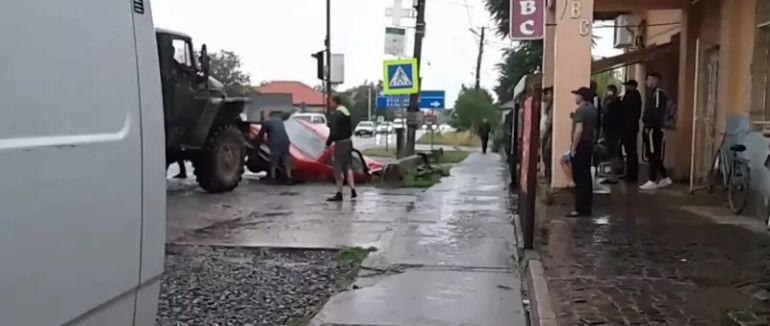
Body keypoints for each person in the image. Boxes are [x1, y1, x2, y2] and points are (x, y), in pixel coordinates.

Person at [567, 87, 598, 217]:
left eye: (577, 95)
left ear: (582, 97)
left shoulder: (580, 110)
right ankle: (587, 207)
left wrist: (573, 147)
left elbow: (579, 130)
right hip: (590, 143)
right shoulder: (593, 110)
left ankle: (579, 208)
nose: (575, 97)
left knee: (579, 177)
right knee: (586, 177)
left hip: (581, 144)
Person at [639, 72, 673, 190]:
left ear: (655, 80)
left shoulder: (658, 94)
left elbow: (657, 111)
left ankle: (652, 179)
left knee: (654, 154)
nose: (647, 82)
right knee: (653, 154)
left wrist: (650, 125)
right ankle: (664, 177)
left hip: (653, 129)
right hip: (650, 128)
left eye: (648, 79)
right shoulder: (653, 93)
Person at [326, 95, 357, 201]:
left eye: (330, 102)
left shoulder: (336, 115)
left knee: (337, 169)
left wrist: (328, 143)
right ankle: (353, 190)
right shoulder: (347, 113)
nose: (329, 105)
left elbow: (333, 132)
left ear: (335, 102)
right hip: (348, 142)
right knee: (347, 167)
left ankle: (339, 193)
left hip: (339, 143)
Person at [253, 112, 294, 184]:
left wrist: (256, 146)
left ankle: (272, 178)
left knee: (274, 161)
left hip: (275, 142)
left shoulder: (266, 122)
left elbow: (260, 136)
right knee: (286, 159)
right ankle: (289, 178)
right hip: (286, 141)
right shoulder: (279, 120)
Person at [620, 79, 643, 182]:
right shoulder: (628, 96)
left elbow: (632, 112)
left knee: (631, 152)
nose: (626, 87)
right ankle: (629, 173)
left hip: (630, 128)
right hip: (626, 127)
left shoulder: (634, 97)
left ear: (633, 86)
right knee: (629, 151)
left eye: (628, 86)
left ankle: (632, 175)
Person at [601, 84, 622, 183]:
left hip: (613, 131)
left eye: (610, 92)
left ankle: (614, 175)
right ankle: (613, 175)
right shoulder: (608, 102)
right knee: (611, 153)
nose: (608, 94)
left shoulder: (616, 103)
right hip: (608, 130)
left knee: (613, 153)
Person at [540, 87, 554, 182]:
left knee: (547, 154)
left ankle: (549, 177)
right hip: (544, 133)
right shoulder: (546, 107)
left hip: (547, 134)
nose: (547, 96)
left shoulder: (552, 107)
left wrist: (545, 131)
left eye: (548, 94)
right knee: (544, 154)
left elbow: (549, 122)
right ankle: (547, 175)